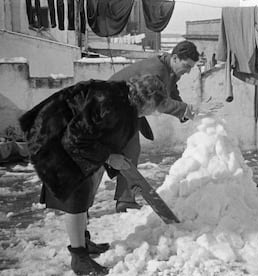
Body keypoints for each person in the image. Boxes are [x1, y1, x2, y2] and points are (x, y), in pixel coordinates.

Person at [19, 75, 169, 275]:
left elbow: (113, 129)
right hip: (54, 135)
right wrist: (108, 157)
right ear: (148, 99)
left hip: (72, 137)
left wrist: (114, 160)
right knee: (75, 195)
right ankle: (79, 258)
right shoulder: (111, 104)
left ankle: (83, 240)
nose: (155, 112)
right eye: (155, 107)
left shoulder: (127, 99)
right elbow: (75, 139)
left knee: (85, 186)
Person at [108, 40, 200, 213]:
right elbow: (161, 102)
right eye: (186, 66)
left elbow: (171, 92)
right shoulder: (156, 70)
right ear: (175, 58)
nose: (187, 72)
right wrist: (189, 110)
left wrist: (184, 114)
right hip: (111, 108)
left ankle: (125, 199)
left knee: (131, 151)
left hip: (129, 110)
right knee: (98, 155)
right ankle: (81, 207)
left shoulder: (169, 70)